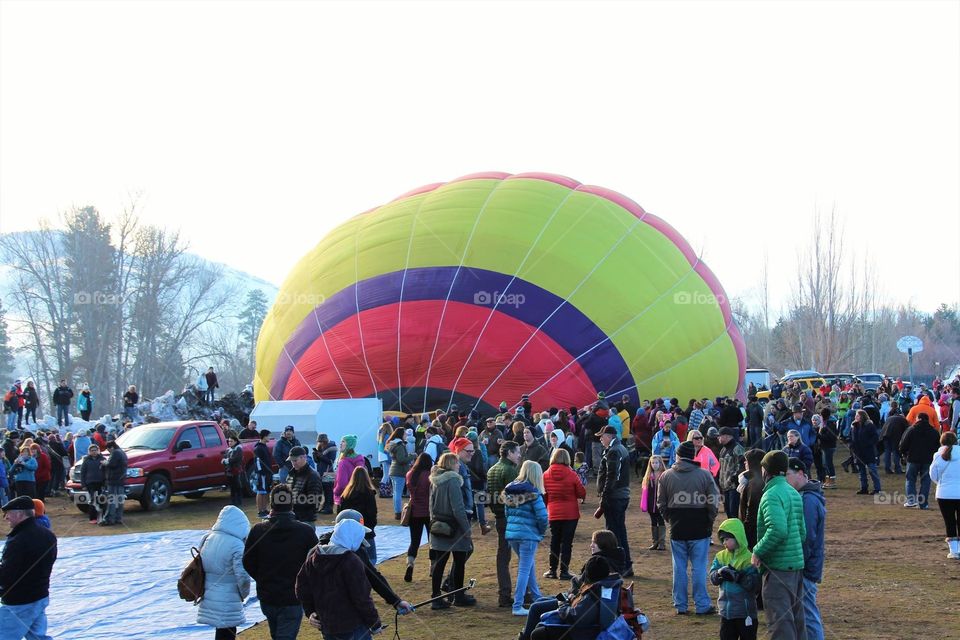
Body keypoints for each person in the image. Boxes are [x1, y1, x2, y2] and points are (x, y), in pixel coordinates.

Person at [243, 484, 319, 640]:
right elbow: (317, 563)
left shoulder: (258, 530)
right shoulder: (305, 532)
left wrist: (263, 577)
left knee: (278, 634)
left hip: (269, 596)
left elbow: (247, 560)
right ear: (291, 504)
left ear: (271, 504)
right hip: (291, 597)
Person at [658, 440, 720, 616]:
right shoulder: (705, 475)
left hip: (677, 526)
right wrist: (709, 520)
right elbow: (713, 502)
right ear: (693, 455)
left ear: (677, 456)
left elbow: (661, 503)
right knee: (699, 567)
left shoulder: (666, 476)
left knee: (679, 567)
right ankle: (702, 605)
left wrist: (670, 518)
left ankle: (680, 604)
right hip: (700, 526)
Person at [315, 509, 415, 618]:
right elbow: (372, 577)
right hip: (346, 614)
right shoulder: (355, 553)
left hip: (326, 613)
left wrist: (311, 611)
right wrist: (395, 602)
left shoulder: (317, 550)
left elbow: (304, 582)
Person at [295, 518, 383, 639]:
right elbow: (361, 597)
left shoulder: (314, 556)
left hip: (327, 625)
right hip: (352, 625)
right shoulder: (351, 561)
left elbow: (301, 587)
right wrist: (374, 623)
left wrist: (310, 611)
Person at [751, 451, 806, 640]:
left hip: (778, 568)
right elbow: (801, 532)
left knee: (780, 622)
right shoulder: (793, 492)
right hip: (796, 566)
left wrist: (758, 551)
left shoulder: (771, 495)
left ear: (766, 470)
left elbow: (778, 530)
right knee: (797, 619)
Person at [0, 496, 58, 640]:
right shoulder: (48, 535)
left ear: (20, 514)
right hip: (40, 596)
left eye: (8, 513)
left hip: (19, 603)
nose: (6, 518)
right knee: (38, 637)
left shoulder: (18, 540)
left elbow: (6, 576)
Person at [527, 555, 621, 640]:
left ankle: (524, 637)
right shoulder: (607, 584)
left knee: (538, 631)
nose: (591, 545)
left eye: (593, 543)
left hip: (582, 631)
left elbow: (573, 616)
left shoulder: (593, 593)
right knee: (542, 604)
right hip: (582, 619)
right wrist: (570, 598)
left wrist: (563, 603)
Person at [197, 505, 251, 640]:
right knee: (228, 631)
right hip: (229, 596)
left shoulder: (207, 538)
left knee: (221, 630)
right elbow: (243, 576)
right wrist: (244, 594)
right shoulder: (237, 545)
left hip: (209, 592)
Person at [785, 458, 826, 640]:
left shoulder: (808, 500)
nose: (785, 479)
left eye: (787, 475)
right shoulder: (806, 497)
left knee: (808, 615)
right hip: (807, 564)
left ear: (800, 473)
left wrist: (798, 562)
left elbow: (807, 537)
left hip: (806, 567)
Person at [428, 452, 474, 610]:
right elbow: (458, 508)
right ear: (449, 464)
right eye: (456, 463)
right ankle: (458, 595)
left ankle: (436, 597)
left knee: (439, 564)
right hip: (454, 528)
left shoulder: (435, 481)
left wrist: (433, 521)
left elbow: (431, 505)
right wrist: (466, 529)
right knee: (459, 562)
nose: (459, 465)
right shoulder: (453, 480)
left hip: (438, 525)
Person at [502, 460, 548, 616]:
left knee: (528, 566)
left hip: (513, 535)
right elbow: (543, 517)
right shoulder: (534, 492)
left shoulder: (510, 489)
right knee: (524, 569)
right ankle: (517, 605)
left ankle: (537, 597)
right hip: (528, 535)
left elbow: (507, 513)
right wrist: (540, 533)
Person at [709, 518, 760, 640]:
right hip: (726, 613)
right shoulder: (720, 556)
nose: (724, 542)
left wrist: (738, 576)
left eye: (727, 539)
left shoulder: (749, 559)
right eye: (722, 540)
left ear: (737, 537)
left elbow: (754, 585)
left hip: (745, 613)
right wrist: (719, 574)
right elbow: (712, 577)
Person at [541, 448, 585, 580]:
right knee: (567, 543)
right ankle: (564, 571)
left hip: (553, 512)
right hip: (570, 513)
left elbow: (544, 495)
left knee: (554, 541)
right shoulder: (571, 474)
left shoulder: (546, 474)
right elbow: (581, 492)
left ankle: (552, 570)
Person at [487, 441, 521, 608]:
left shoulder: (492, 469)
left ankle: (505, 593)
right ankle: (514, 593)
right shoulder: (510, 471)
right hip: (510, 517)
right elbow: (516, 499)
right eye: (517, 452)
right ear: (509, 453)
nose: (519, 455)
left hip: (498, 517)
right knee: (523, 555)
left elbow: (489, 496)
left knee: (503, 556)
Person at [597, 425, 633, 577]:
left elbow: (612, 477)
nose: (600, 438)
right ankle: (626, 565)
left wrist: (604, 497)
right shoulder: (620, 448)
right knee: (619, 531)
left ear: (609, 436)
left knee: (613, 534)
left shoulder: (613, 451)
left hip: (615, 497)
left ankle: (620, 566)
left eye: (602, 436)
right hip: (621, 496)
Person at [899, 412, 942, 509]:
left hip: (913, 459)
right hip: (928, 460)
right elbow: (938, 447)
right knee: (926, 481)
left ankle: (911, 501)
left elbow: (903, 445)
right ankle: (923, 503)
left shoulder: (911, 430)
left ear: (918, 419)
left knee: (910, 479)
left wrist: (904, 454)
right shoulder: (934, 432)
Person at [929, 431, 960, 559]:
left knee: (950, 522)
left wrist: (941, 484)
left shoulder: (938, 456)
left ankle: (953, 551)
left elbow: (933, 475)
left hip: (944, 494)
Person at [339, 466, 379, 564]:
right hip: (365, 528)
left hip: (349, 529)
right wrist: (371, 527)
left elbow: (341, 512)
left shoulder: (346, 494)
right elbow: (372, 512)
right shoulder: (369, 494)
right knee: (371, 557)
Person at [404, 453, 433, 582]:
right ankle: (433, 567)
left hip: (414, 512)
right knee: (433, 542)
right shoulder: (429, 476)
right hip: (429, 512)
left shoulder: (410, 474)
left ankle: (410, 564)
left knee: (414, 542)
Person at [737, 449, 766, 551]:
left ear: (752, 463)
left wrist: (745, 532)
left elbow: (752, 510)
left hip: (753, 532)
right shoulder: (751, 480)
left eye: (746, 460)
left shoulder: (754, 483)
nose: (745, 463)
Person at [851, 409, 881, 495]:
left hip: (868, 452)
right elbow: (853, 438)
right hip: (858, 452)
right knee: (861, 472)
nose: (856, 417)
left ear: (862, 416)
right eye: (856, 415)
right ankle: (864, 488)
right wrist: (852, 446)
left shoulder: (869, 426)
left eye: (858, 415)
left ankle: (877, 489)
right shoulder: (854, 426)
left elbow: (875, 437)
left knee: (872, 471)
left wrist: (868, 444)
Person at [641, 455, 667, 551]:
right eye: (653, 463)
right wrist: (644, 504)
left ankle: (662, 543)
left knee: (660, 521)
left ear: (660, 463)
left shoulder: (664, 475)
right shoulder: (648, 476)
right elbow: (645, 492)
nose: (654, 465)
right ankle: (655, 542)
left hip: (660, 504)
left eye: (656, 463)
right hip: (650, 504)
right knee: (653, 522)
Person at [718, 427, 746, 519]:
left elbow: (742, 465)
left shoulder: (737, 448)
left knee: (733, 513)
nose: (718, 438)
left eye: (720, 436)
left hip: (734, 486)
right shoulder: (723, 450)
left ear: (726, 436)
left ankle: (735, 532)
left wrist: (734, 478)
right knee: (728, 512)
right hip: (724, 486)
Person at [334, 434, 366, 510]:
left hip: (344, 497)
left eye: (343, 441)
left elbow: (341, 484)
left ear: (349, 444)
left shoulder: (343, 462)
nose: (340, 443)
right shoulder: (359, 461)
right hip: (357, 496)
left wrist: (335, 491)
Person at [387, 428, 411, 520]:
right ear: (401, 435)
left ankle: (397, 512)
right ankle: (398, 513)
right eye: (405, 434)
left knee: (396, 493)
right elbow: (402, 460)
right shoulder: (400, 445)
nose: (406, 435)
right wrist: (412, 456)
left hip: (394, 471)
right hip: (399, 472)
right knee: (398, 493)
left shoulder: (394, 444)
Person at [102, 440, 128, 525]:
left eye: (108, 449)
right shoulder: (122, 453)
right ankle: (118, 518)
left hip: (113, 480)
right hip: (121, 480)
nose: (108, 451)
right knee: (120, 500)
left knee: (112, 500)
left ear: (111, 447)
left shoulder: (115, 453)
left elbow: (111, 464)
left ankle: (110, 519)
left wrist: (105, 463)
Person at [880, 404, 908, 475]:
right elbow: (906, 431)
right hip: (895, 437)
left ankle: (887, 469)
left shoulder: (889, 418)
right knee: (896, 452)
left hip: (885, 436)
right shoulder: (903, 419)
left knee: (887, 452)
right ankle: (897, 469)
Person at [313, 433, 338, 514]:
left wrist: (320, 456)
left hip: (329, 471)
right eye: (319, 441)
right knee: (322, 490)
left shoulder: (332, 447)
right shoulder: (320, 447)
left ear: (325, 440)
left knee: (328, 491)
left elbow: (331, 461)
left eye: (322, 441)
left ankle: (329, 508)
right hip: (320, 471)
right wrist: (315, 456)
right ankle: (324, 507)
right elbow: (317, 461)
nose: (321, 443)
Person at [254, 429, 274, 519]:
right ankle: (260, 510)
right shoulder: (258, 448)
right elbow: (257, 461)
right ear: (264, 436)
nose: (269, 438)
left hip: (267, 473)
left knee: (266, 491)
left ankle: (264, 509)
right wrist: (260, 471)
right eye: (268, 436)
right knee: (261, 491)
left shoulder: (264, 446)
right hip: (262, 473)